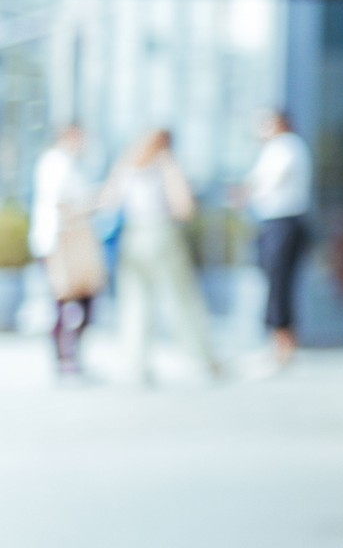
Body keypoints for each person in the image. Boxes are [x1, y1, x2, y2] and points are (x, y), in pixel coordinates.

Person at [101, 129, 220, 384]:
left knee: (135, 302)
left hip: (133, 237)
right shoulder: (165, 164)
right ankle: (201, 359)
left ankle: (137, 364)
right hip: (161, 234)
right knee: (181, 300)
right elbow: (184, 208)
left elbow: (108, 202)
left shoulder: (126, 164)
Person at [236, 110, 312, 369]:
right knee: (275, 282)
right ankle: (278, 343)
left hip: (284, 222)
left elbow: (267, 182)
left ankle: (283, 345)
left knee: (279, 283)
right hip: (275, 222)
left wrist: (245, 194)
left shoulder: (287, 146)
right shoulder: (277, 148)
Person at [30, 124, 105, 378]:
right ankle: (64, 359)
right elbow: (62, 203)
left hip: (68, 242)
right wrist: (92, 203)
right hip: (60, 244)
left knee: (80, 302)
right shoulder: (55, 163)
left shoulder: (68, 163)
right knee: (63, 303)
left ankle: (69, 357)